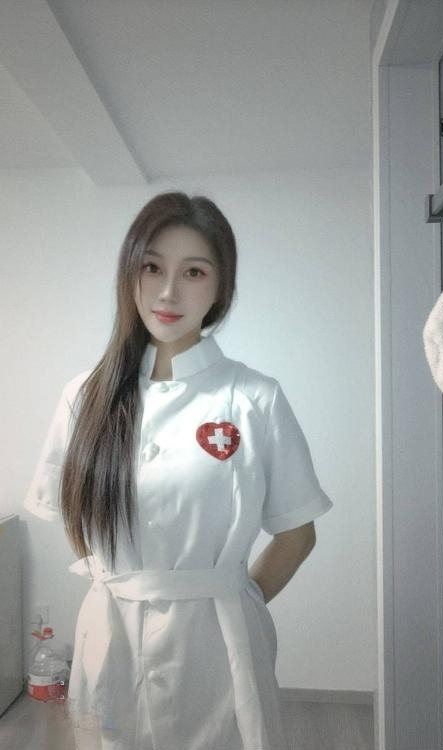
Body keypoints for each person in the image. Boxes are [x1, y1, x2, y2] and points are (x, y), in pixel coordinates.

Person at [24, 191, 333, 750]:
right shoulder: (85, 396)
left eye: (194, 272)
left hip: (218, 644)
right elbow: (74, 513)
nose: (168, 292)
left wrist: (234, 602)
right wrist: (118, 576)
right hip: (110, 634)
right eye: (152, 267)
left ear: (220, 288)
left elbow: (297, 532)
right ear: (130, 275)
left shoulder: (253, 397)